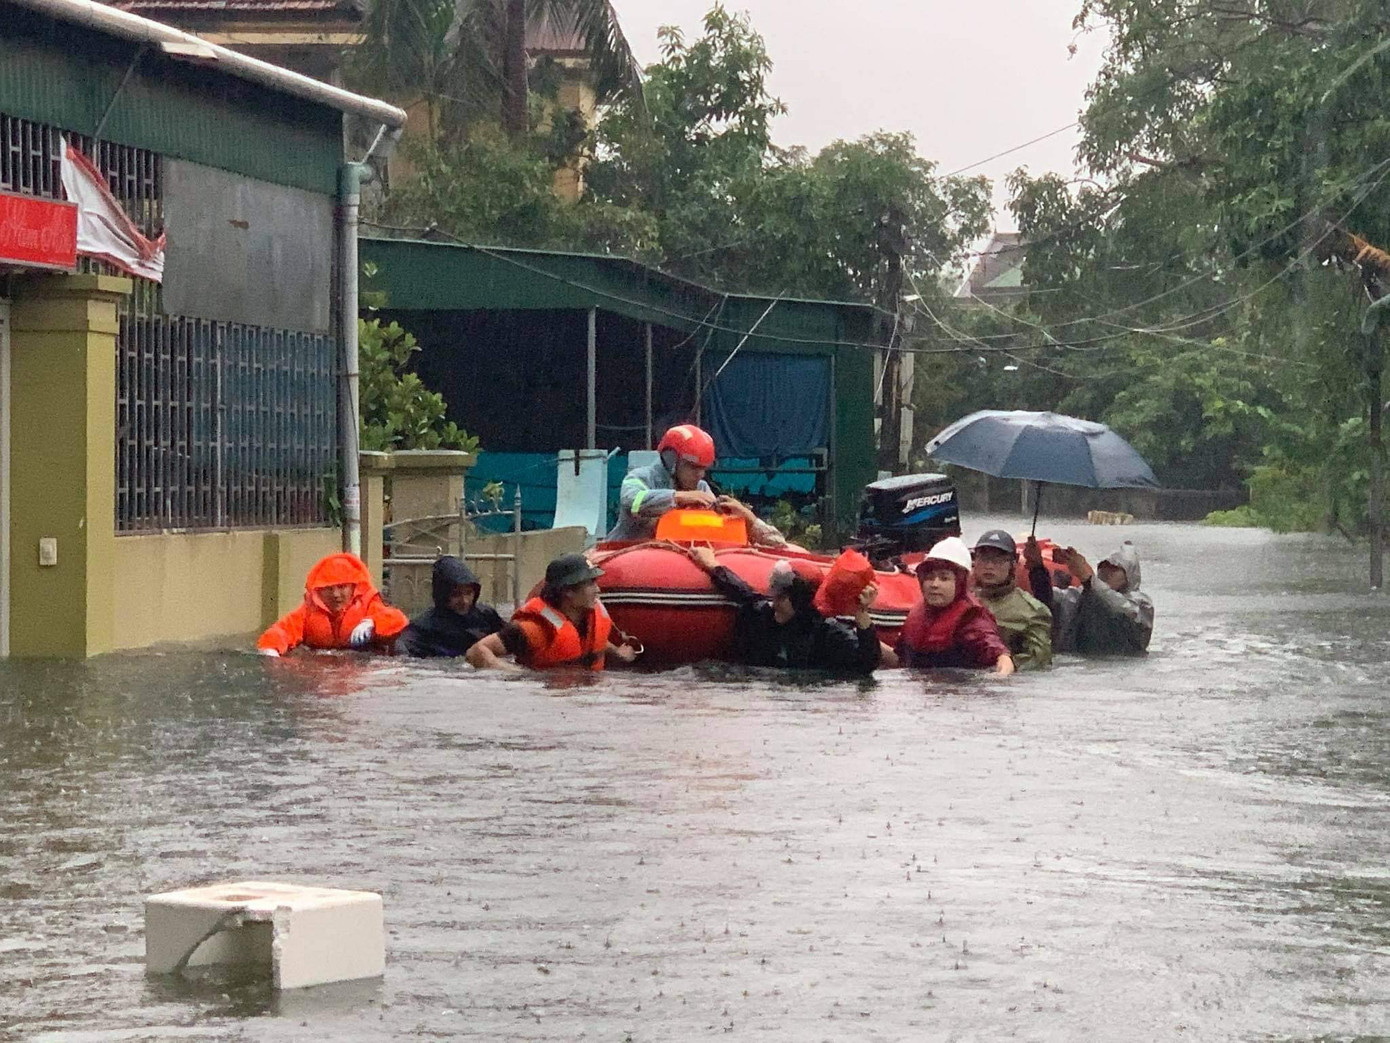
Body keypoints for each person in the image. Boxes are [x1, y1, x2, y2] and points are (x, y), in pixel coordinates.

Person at [686, 546, 881, 673]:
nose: (775, 602)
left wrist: (861, 613)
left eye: (782, 597)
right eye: (775, 594)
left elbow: (866, 664)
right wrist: (711, 564)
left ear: (801, 601)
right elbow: (741, 590)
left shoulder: (826, 633)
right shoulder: (763, 614)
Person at [606, 423, 789, 547]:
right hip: (625, 554)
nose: (700, 475)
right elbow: (633, 502)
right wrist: (678, 497)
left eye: (703, 469)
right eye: (693, 467)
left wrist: (741, 516)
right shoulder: (638, 478)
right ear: (671, 460)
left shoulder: (701, 488)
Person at [466, 553, 638, 671]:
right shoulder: (532, 630)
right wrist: (516, 675)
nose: (598, 589)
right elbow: (477, 651)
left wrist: (618, 654)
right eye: (590, 584)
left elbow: (587, 643)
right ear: (567, 591)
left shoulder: (586, 620)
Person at [895, 537, 1014, 675]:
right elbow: (899, 661)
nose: (934, 584)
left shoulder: (972, 618)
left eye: (944, 578)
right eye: (929, 578)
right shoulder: (917, 614)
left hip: (958, 689)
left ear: (960, 582)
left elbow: (997, 652)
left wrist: (1003, 668)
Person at [258, 552, 408, 656]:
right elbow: (283, 630)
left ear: (353, 587)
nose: (336, 595)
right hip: (321, 669)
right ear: (319, 591)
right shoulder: (309, 610)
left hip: (363, 669)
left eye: (342, 587)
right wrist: (270, 649)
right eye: (329, 589)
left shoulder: (368, 604)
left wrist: (373, 623)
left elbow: (398, 620)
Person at [1039, 540, 1154, 656]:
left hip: (1118, 664)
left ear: (1129, 574)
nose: (1107, 572)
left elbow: (1123, 610)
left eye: (1114, 568)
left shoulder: (1142, 604)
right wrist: (1037, 569)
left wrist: (1088, 579)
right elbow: (1047, 600)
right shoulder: (1081, 595)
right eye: (1104, 567)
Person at [970, 529, 1053, 670]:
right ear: (974, 561)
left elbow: (1039, 660)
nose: (989, 566)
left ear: (1013, 564)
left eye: (998, 560)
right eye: (984, 558)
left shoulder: (1032, 611)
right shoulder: (961, 601)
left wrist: (1005, 664)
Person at [398, 556, 504, 658]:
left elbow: (511, 639)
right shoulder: (423, 627)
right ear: (442, 595)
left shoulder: (487, 616)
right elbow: (402, 651)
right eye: (456, 595)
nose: (464, 601)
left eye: (469, 593)